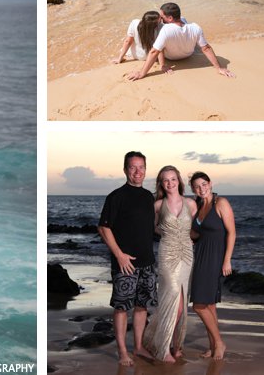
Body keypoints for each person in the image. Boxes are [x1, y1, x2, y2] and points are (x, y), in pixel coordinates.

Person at [97, 151, 157, 366]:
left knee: (142, 306)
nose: (137, 172)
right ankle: (123, 351)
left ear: (145, 170)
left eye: (141, 167)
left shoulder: (148, 196)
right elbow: (104, 228)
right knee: (122, 308)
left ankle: (139, 347)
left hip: (148, 262)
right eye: (133, 167)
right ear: (125, 170)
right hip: (125, 263)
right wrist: (120, 255)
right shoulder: (116, 196)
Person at [141, 166, 196, 363]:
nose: (170, 183)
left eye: (173, 179)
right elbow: (153, 227)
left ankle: (176, 345)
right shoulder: (157, 205)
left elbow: (197, 228)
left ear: (179, 181)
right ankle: (163, 349)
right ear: (161, 183)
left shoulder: (191, 203)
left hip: (187, 254)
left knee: (182, 300)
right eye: (166, 180)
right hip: (167, 253)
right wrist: (167, 232)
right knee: (171, 297)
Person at [189, 171, 236, 360]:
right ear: (193, 189)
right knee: (209, 305)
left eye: (204, 184)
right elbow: (195, 234)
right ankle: (212, 346)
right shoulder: (200, 206)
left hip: (215, 258)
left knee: (198, 305)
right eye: (197, 186)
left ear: (210, 183)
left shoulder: (221, 203)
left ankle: (219, 343)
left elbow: (232, 233)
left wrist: (227, 260)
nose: (201, 188)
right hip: (200, 255)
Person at [126, 2, 236, 81]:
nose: (160, 19)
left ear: (169, 18)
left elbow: (154, 52)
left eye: (162, 16)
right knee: (184, 20)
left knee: (160, 43)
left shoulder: (165, 30)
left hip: (172, 59)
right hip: (188, 55)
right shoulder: (196, 27)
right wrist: (219, 68)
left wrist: (142, 73)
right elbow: (206, 48)